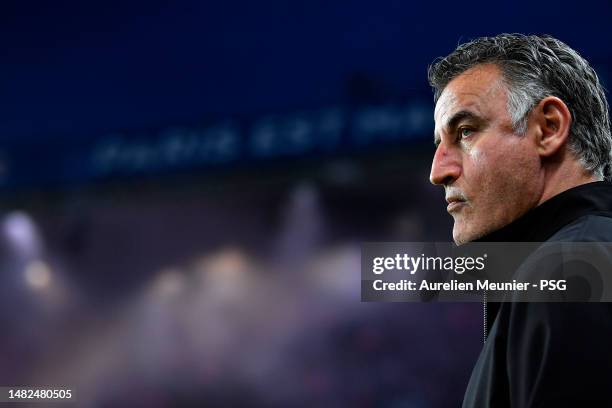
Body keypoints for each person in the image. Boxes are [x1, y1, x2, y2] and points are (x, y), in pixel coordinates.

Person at [428, 34, 612, 407]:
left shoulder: (567, 271)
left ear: (548, 128)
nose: (438, 171)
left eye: (465, 132)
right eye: (439, 144)